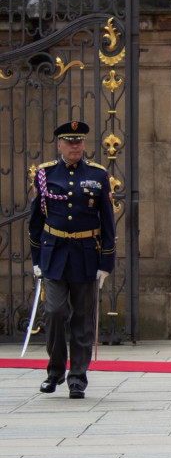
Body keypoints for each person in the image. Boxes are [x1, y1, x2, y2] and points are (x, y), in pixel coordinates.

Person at [29, 120, 115, 399]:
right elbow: (36, 221)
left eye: (79, 141)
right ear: (60, 144)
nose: (75, 145)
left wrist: (106, 264)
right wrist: (36, 259)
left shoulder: (98, 175)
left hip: (86, 254)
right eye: (69, 141)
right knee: (54, 312)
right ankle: (54, 371)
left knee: (82, 318)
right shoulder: (44, 174)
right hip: (53, 253)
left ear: (84, 144)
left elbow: (108, 221)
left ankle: (77, 377)